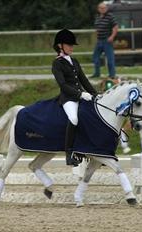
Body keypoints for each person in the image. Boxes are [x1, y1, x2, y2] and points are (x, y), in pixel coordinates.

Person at [52, 29, 98, 166]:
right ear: (60, 46)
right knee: (74, 119)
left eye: (72, 45)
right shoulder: (57, 63)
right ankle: (69, 153)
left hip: (82, 97)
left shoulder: (75, 61)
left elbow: (84, 81)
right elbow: (63, 85)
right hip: (68, 98)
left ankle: (93, 151)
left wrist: (96, 94)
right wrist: (80, 94)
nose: (72, 47)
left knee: (92, 117)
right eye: (69, 45)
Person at [90, 2, 118, 79]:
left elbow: (115, 27)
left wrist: (112, 37)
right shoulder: (97, 17)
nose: (103, 9)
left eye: (104, 8)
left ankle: (112, 75)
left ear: (107, 8)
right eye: (101, 8)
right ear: (98, 9)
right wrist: (96, 37)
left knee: (110, 59)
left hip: (107, 40)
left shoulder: (110, 16)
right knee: (95, 57)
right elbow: (97, 28)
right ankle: (97, 73)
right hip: (99, 40)